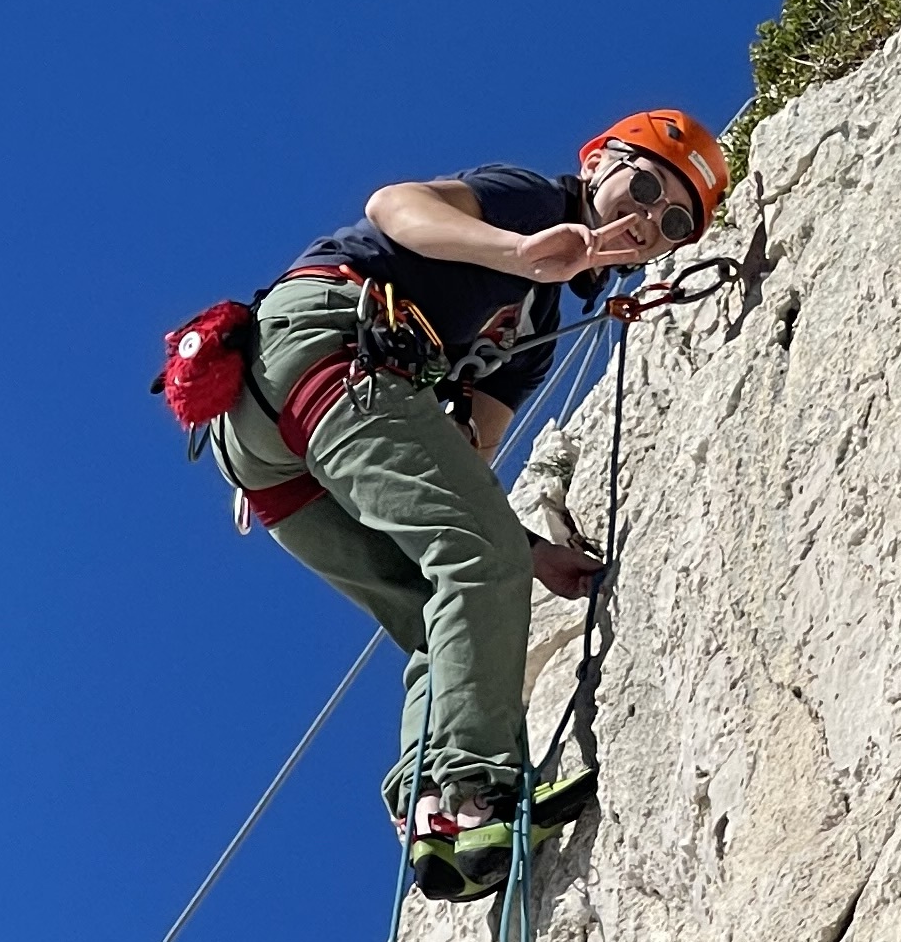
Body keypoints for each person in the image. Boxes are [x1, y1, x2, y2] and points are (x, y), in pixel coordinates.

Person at [208, 112, 729, 897]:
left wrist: (529, 552)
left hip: (281, 444)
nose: (647, 219)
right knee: (476, 564)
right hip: (330, 350)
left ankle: (432, 809)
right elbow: (395, 207)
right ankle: (475, 792)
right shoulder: (532, 200)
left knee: (442, 607)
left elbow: (463, 468)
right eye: (648, 185)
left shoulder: (534, 335)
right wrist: (520, 251)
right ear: (599, 162)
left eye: (673, 224)